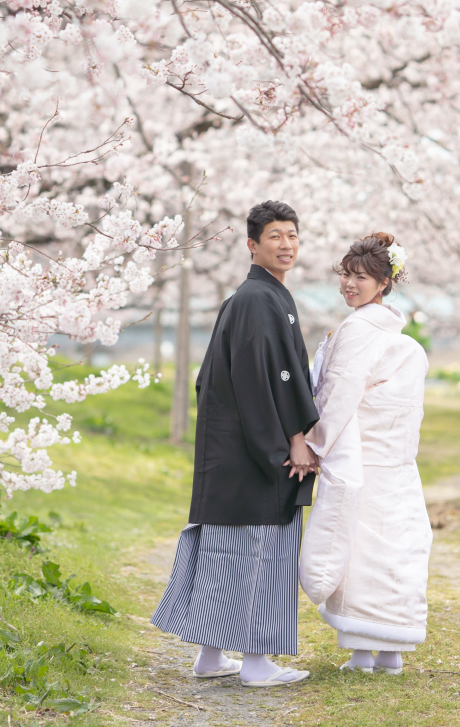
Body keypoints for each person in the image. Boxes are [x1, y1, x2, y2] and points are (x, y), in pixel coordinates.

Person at [151, 200, 319, 687]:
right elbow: (263, 379)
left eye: (291, 235)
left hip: (229, 453)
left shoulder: (255, 297)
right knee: (261, 552)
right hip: (253, 452)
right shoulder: (258, 299)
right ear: (252, 245)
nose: (286, 244)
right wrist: (291, 442)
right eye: (275, 237)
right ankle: (256, 663)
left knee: (226, 551)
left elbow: (238, 378)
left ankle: (209, 656)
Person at [300, 232, 432, 675]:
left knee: (359, 551)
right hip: (396, 463)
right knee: (395, 549)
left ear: (383, 284)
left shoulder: (359, 328)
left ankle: (362, 654)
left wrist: (315, 444)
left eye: (361, 277)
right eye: (346, 275)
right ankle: (391, 654)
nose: (349, 285)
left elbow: (339, 394)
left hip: (365, 457)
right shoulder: (389, 330)